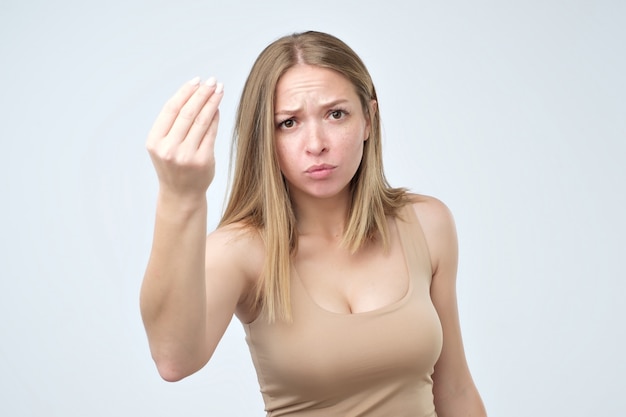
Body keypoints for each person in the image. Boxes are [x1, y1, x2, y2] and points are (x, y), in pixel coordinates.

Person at [140, 31, 486, 417]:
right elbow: (174, 359)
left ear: (369, 120)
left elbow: (455, 389)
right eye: (288, 123)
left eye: (336, 114)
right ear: (264, 138)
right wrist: (179, 196)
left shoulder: (426, 224)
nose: (316, 143)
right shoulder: (242, 251)